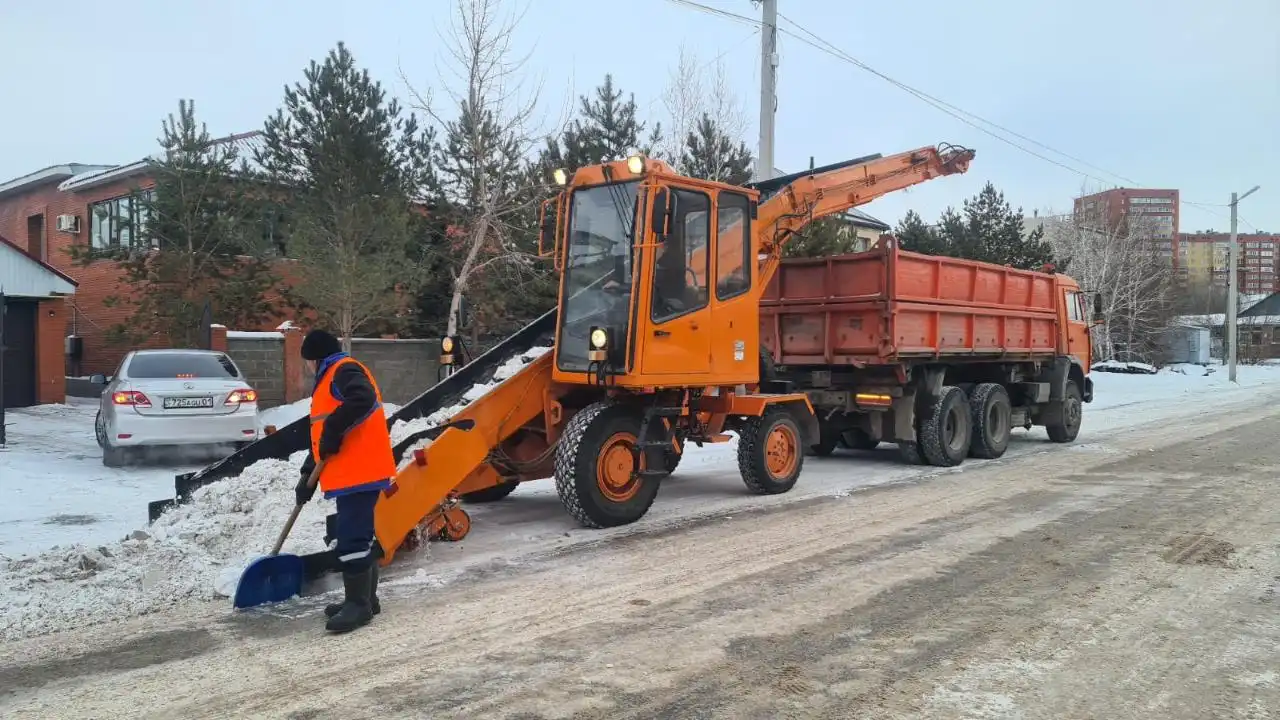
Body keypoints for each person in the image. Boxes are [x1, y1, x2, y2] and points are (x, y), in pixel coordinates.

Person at [296, 329, 397, 634]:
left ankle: (359, 606)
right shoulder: (330, 378)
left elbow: (361, 400)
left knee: (352, 537)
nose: (308, 368)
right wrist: (306, 475)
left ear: (315, 358)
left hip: (361, 470)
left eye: (308, 362)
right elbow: (323, 436)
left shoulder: (344, 370)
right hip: (352, 471)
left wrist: (333, 431)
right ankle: (366, 598)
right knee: (359, 535)